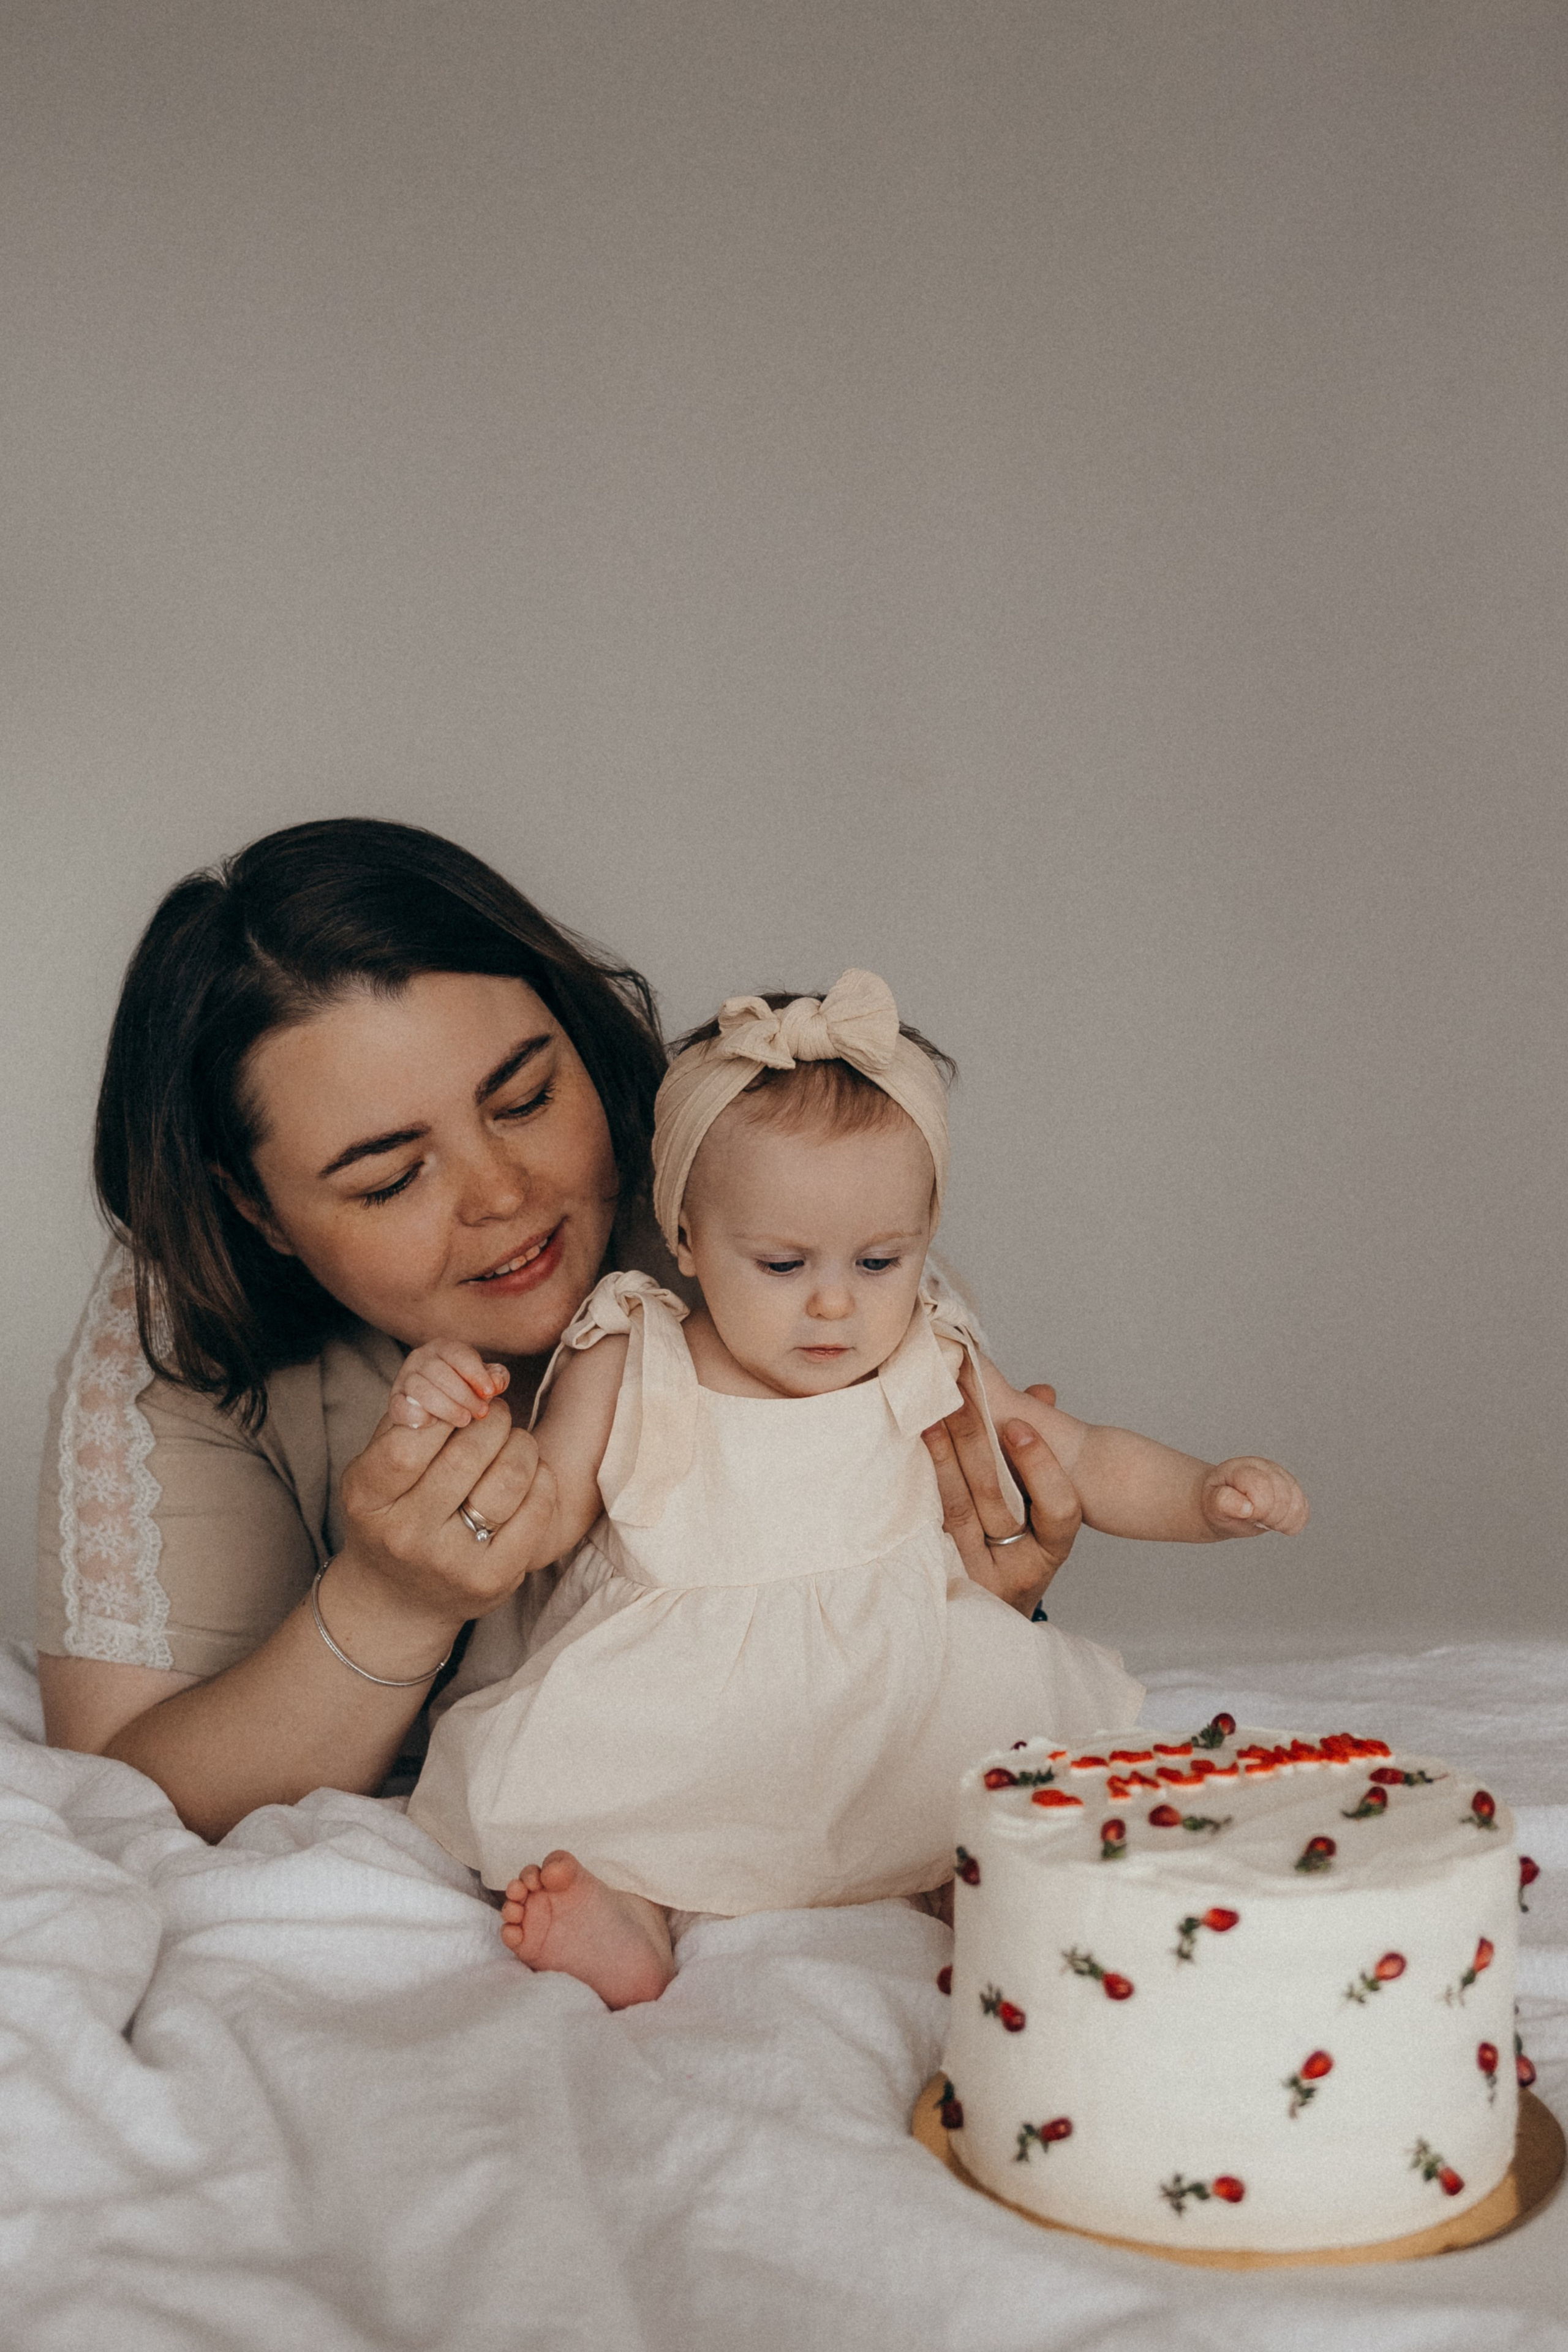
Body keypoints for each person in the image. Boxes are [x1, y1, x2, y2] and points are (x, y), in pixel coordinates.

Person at [37, 823, 1084, 1840]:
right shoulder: (183, 1319)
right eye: (391, 1178)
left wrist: (984, 1597)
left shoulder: (751, 1202)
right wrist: (391, 1602)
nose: (503, 1195)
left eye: (528, 1098)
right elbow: (122, 1788)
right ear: (254, 1210)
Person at [402, 971, 1308, 2008]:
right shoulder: (632, 1348)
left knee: (986, 1803)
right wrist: (467, 1429)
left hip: (897, 1687)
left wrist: (1206, 1495)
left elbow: (1082, 1456)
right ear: (688, 1238)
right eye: (783, 1264)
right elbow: (550, 1512)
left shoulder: (929, 1349)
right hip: (688, 1699)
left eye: (882, 1260)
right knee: (628, 1801)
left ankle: (989, 1904)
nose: (836, 1302)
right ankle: (633, 1916)